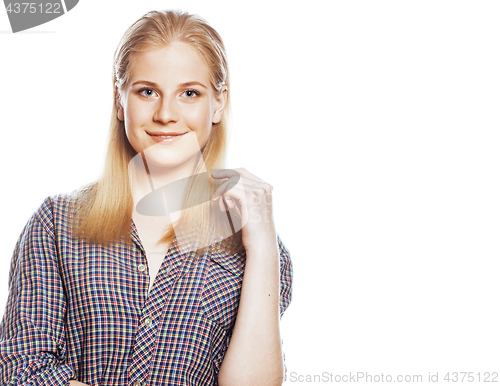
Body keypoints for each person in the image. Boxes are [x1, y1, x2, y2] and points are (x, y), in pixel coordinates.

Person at [0, 9, 293, 386]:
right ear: (120, 100)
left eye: (189, 93)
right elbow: (22, 369)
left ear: (218, 103)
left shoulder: (257, 246)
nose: (166, 114)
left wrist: (263, 248)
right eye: (147, 91)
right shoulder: (57, 223)